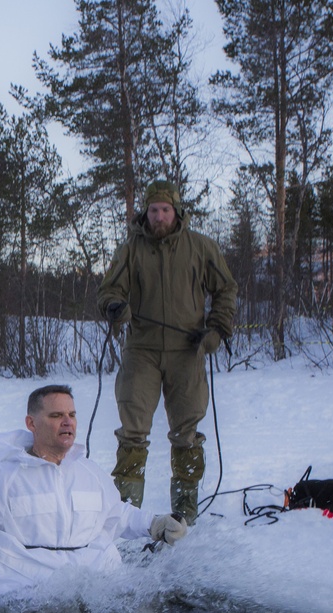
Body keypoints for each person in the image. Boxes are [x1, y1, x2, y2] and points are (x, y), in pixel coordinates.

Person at [0, 384, 188, 604]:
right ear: (31, 423)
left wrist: (154, 524)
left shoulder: (90, 473)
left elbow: (116, 516)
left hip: (87, 596)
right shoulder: (0, 477)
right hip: (13, 603)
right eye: (56, 416)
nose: (67, 422)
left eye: (71, 415)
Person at [97, 179, 238, 524]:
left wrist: (217, 329)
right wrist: (116, 306)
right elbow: (109, 290)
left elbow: (226, 289)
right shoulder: (130, 249)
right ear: (146, 212)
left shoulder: (201, 248)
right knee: (132, 430)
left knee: (187, 431)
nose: (159, 217)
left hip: (187, 350)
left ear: (177, 213)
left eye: (165, 210)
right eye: (154, 210)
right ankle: (126, 515)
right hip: (141, 351)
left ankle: (185, 512)